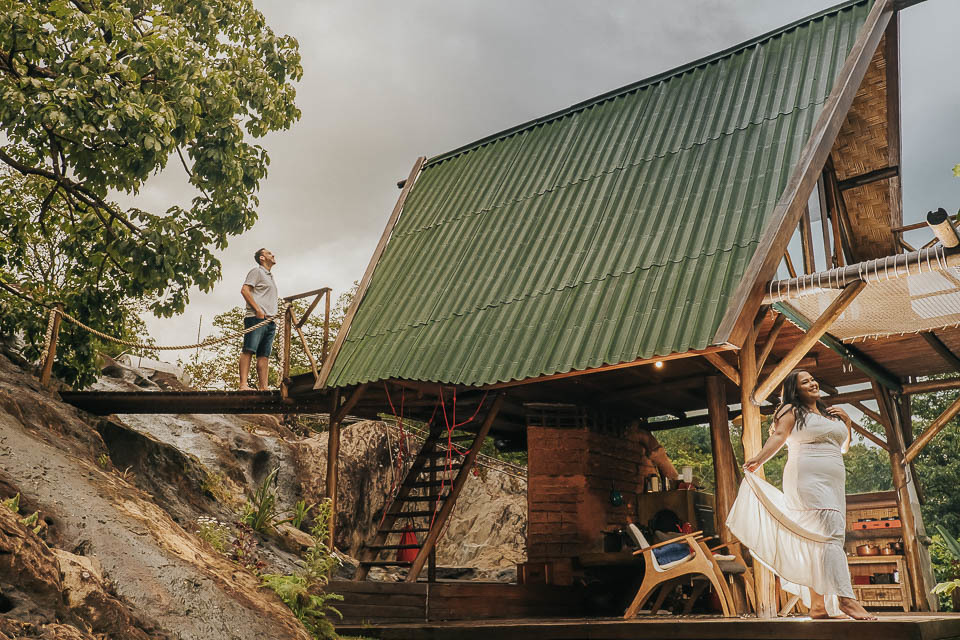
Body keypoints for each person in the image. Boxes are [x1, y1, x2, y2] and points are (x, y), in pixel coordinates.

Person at [726, 369, 877, 620]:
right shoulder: (791, 411)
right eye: (805, 381)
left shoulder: (829, 415)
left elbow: (843, 448)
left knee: (818, 540)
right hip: (807, 479)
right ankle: (846, 600)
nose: (812, 383)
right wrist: (759, 459)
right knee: (830, 535)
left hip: (834, 483)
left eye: (813, 379)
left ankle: (818, 606)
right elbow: (778, 436)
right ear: (795, 390)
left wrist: (848, 425)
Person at [239, 248, 278, 391]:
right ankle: (243, 384)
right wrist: (257, 310)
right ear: (262, 258)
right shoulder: (257, 272)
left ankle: (264, 387)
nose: (273, 254)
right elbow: (245, 290)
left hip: (270, 320)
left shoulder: (270, 276)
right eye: (269, 253)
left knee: (264, 355)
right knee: (249, 349)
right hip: (256, 318)